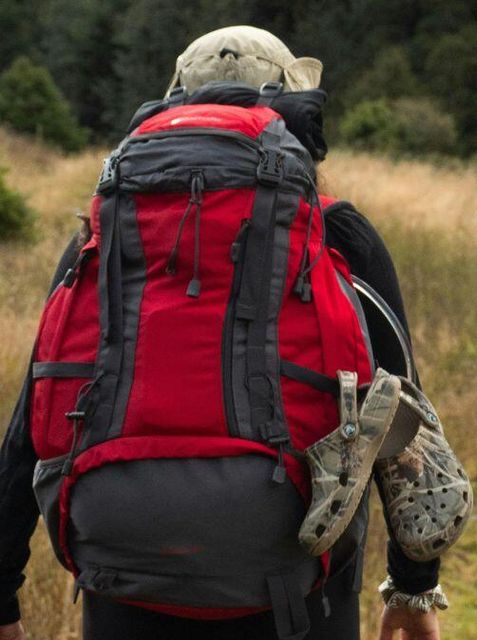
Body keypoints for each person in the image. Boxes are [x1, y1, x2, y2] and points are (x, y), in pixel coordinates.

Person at [0, 26, 444, 640]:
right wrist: (414, 586)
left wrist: (1, 592)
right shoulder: (337, 232)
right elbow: (405, 421)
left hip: (125, 570)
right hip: (296, 581)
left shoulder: (104, 233)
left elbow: (33, 417)